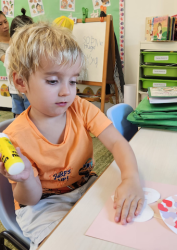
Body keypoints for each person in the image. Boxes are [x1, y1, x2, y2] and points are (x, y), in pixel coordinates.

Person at [0, 22, 144, 250]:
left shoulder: (80, 108)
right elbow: (31, 199)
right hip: (44, 206)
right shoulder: (14, 137)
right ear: (21, 82)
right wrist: (26, 177)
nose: (67, 91)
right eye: (53, 81)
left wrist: (131, 179)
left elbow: (117, 143)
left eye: (73, 80)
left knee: (124, 227)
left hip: (86, 186)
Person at [4, 8, 33, 118]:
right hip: (26, 90)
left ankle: (18, 132)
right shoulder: (28, 50)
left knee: (18, 115)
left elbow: (8, 68)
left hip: (14, 89)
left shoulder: (9, 50)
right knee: (29, 115)